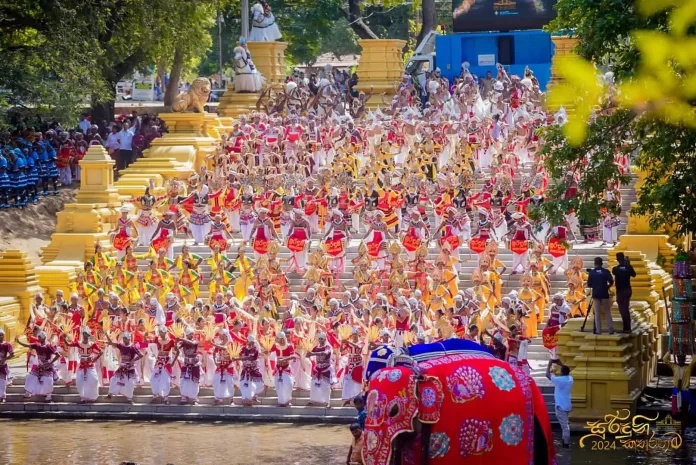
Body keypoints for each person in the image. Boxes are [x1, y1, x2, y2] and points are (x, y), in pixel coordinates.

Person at [662, 350, 696, 440]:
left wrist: (692, 351)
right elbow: (665, 359)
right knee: (675, 413)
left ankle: (682, 432)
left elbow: (695, 360)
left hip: (685, 392)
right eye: (679, 359)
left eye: (682, 359)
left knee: (684, 413)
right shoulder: (674, 367)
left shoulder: (688, 368)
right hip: (676, 392)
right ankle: (676, 431)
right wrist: (669, 351)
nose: (680, 361)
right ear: (677, 359)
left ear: (684, 359)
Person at [546, 359, 573, 449]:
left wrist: (550, 364)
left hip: (561, 407)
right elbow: (566, 371)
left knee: (565, 427)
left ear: (561, 372)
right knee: (565, 426)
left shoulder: (560, 380)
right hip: (567, 406)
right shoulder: (570, 379)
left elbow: (547, 375)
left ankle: (566, 445)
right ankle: (564, 442)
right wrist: (560, 364)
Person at [587, 257, 614, 334]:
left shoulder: (592, 272)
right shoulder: (606, 271)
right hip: (604, 293)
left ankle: (598, 330)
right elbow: (611, 281)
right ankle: (610, 329)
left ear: (595, 263)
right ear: (601, 263)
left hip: (596, 294)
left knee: (597, 313)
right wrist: (607, 287)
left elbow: (589, 284)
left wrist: (595, 286)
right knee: (607, 312)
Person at [612, 252, 636, 334]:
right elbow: (634, 274)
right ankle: (627, 327)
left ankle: (626, 328)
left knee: (623, 309)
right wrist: (628, 265)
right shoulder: (628, 267)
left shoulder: (615, 269)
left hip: (620, 291)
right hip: (628, 290)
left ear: (617, 259)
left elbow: (614, 273)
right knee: (626, 308)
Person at [0, 328, 15, 402]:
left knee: (2, 381)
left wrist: (5, 358)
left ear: (3, 335)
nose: (0, 336)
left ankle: (2, 396)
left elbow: (12, 354)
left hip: (3, 366)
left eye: (1, 335)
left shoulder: (7, 344)